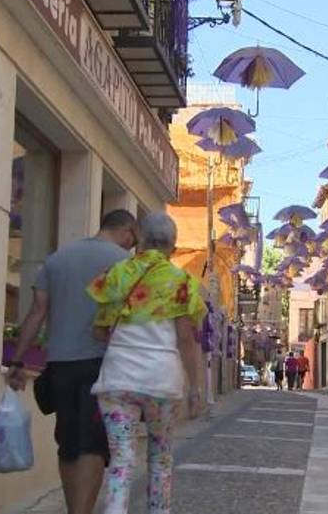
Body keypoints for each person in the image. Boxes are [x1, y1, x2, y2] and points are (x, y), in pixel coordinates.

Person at [6, 210, 138, 514]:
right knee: (92, 444)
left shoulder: (57, 259)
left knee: (67, 443)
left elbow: (36, 313)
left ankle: (73, 510)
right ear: (128, 232)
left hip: (60, 365)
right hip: (102, 364)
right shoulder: (126, 264)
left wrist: (16, 360)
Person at [87, 212, 206, 514]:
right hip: (161, 381)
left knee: (121, 460)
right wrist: (195, 389)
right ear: (174, 247)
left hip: (118, 378)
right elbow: (186, 340)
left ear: (138, 239)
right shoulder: (182, 283)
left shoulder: (116, 274)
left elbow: (99, 331)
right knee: (161, 458)